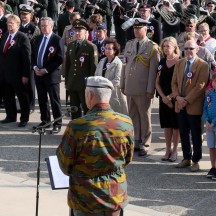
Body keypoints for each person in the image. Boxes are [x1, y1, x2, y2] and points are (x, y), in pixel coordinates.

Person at [56, 76, 134, 216]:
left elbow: (64, 164)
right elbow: (127, 159)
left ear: (89, 95)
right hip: (114, 197)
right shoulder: (126, 123)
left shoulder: (78, 126)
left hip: (85, 200)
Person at [120, 18, 160, 156]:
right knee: (132, 115)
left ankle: (145, 142)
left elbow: (153, 70)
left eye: (139, 28)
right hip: (130, 86)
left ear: (146, 30)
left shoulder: (152, 47)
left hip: (143, 88)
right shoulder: (130, 44)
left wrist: (150, 89)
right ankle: (136, 141)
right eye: (135, 28)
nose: (136, 31)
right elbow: (125, 66)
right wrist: (122, 84)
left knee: (144, 116)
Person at [171, 40, 209, 171]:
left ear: (197, 49)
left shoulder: (203, 65)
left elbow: (200, 86)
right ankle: (186, 158)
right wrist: (177, 97)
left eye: (191, 48)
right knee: (183, 133)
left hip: (193, 105)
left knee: (196, 134)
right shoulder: (179, 63)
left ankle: (196, 160)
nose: (188, 51)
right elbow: (174, 83)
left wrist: (186, 100)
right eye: (186, 48)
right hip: (180, 104)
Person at [32, 17, 64, 133]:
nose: (43, 28)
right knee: (41, 99)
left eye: (46, 26)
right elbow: (33, 55)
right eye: (41, 26)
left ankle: (58, 123)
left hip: (51, 75)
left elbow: (60, 58)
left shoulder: (57, 39)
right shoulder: (38, 38)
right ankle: (45, 121)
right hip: (38, 74)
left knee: (54, 100)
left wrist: (46, 69)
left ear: (51, 26)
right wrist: (35, 67)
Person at [0, 14, 31, 127]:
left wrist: (25, 75)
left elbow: (27, 58)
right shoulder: (5, 36)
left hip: (18, 74)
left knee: (22, 97)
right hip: (5, 74)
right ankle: (11, 116)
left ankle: (24, 118)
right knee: (8, 96)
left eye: (11, 23)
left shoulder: (22, 38)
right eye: (8, 23)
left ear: (17, 25)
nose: (9, 25)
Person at [65, 19, 98, 119]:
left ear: (85, 33)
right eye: (76, 31)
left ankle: (87, 130)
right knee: (74, 108)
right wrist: (67, 82)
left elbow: (93, 68)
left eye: (80, 31)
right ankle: (76, 130)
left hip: (84, 84)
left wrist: (91, 85)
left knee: (86, 108)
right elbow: (68, 65)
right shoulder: (71, 45)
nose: (78, 33)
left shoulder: (91, 47)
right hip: (72, 83)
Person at [155, 37, 180, 162]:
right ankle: (167, 149)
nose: (165, 48)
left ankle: (175, 150)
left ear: (174, 47)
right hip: (163, 98)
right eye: (164, 46)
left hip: (175, 98)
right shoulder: (161, 62)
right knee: (167, 125)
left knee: (175, 126)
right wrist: (164, 97)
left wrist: (170, 97)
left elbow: (180, 83)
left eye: (168, 46)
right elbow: (157, 82)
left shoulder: (180, 61)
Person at [95, 38, 128, 115]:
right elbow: (96, 75)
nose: (107, 50)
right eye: (106, 48)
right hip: (101, 95)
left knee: (115, 117)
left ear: (115, 51)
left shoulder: (118, 63)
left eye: (109, 49)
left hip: (114, 95)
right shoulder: (102, 61)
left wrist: (105, 85)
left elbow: (117, 80)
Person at [19, 4, 41, 114]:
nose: (23, 16)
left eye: (25, 14)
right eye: (22, 14)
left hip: (29, 58)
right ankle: (22, 104)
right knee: (20, 84)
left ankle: (31, 105)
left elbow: (36, 45)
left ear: (31, 15)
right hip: (18, 59)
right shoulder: (18, 26)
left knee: (30, 84)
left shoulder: (34, 28)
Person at [204, 73, 216, 179]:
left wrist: (213, 122)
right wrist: (206, 120)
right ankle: (213, 167)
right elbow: (205, 108)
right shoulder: (209, 94)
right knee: (211, 147)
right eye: (214, 81)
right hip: (209, 125)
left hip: (214, 124)